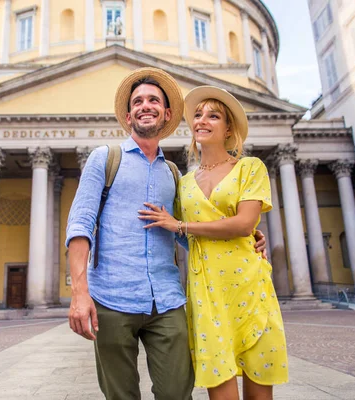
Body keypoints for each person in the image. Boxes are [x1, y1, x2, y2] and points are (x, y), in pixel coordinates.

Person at [65, 69, 267, 400]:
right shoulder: (105, 158)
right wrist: (79, 292)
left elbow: (187, 233)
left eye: (154, 100)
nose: (146, 106)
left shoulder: (174, 174)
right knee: (121, 395)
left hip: (167, 300)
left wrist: (245, 239)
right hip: (113, 298)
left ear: (167, 113)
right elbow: (81, 223)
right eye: (138, 102)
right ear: (129, 115)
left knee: (177, 392)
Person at [139, 86, 288, 400]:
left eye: (213, 115)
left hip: (249, 286)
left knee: (259, 390)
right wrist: (177, 227)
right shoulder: (184, 183)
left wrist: (185, 224)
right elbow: (184, 235)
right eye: (197, 115)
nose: (202, 121)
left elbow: (244, 223)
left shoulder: (249, 168)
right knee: (220, 390)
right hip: (206, 291)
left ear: (228, 127)